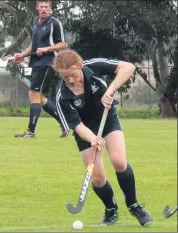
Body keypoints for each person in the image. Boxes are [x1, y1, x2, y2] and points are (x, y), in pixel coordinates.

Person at [53, 49, 153, 226]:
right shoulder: (62, 97)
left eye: (73, 75)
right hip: (85, 132)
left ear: (80, 66)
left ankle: (134, 205)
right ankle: (111, 209)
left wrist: (110, 91)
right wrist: (93, 138)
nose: (71, 80)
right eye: (65, 77)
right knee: (98, 178)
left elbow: (128, 67)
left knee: (119, 161)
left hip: (107, 119)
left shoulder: (94, 67)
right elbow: (77, 126)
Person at [13, 0, 68, 138]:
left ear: (50, 9)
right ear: (37, 8)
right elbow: (34, 45)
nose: (44, 9)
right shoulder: (36, 22)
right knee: (39, 97)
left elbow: (63, 44)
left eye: (47, 7)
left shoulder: (54, 23)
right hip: (37, 63)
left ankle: (31, 132)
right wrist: (22, 54)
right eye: (42, 7)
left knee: (34, 94)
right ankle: (64, 123)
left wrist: (46, 49)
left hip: (48, 62)